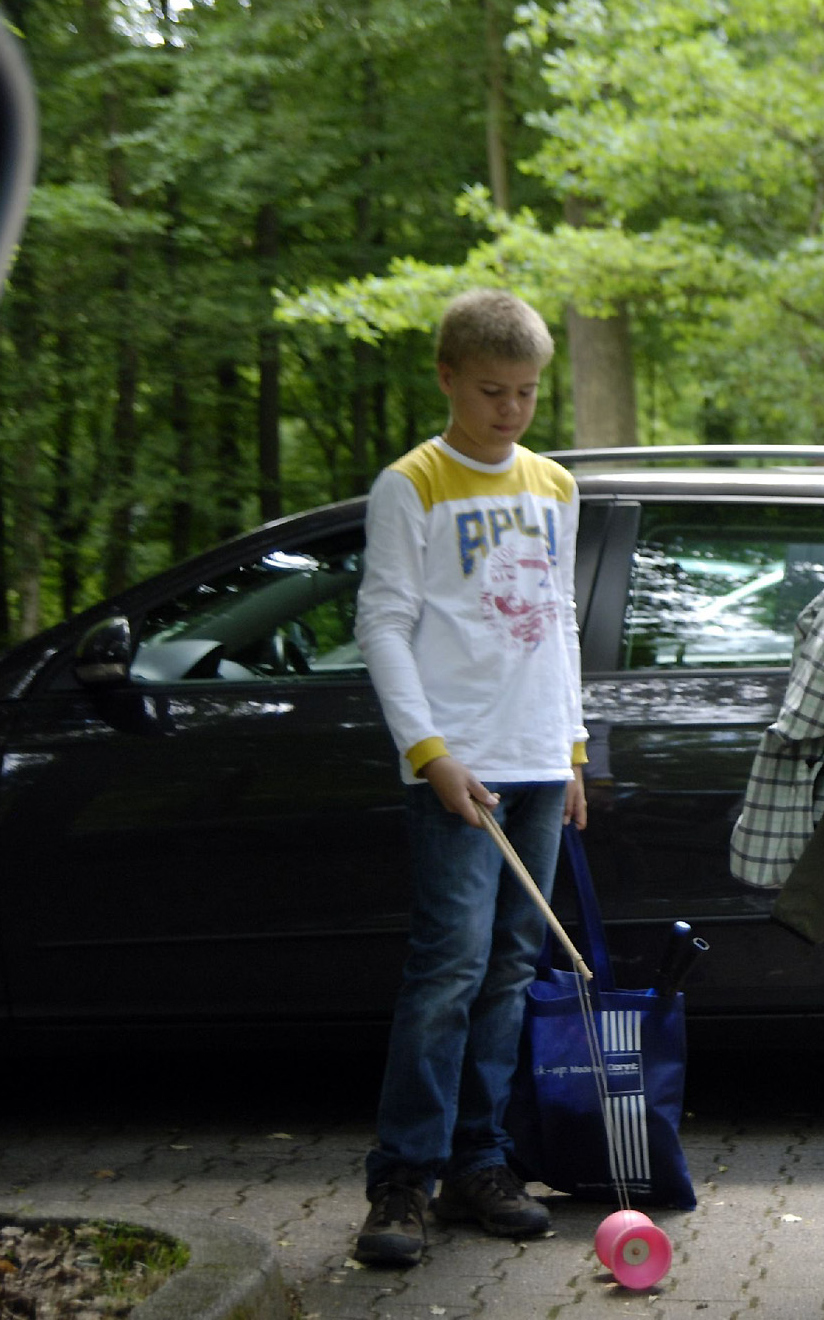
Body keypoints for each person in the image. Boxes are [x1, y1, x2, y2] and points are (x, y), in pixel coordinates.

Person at [350, 288, 589, 1264]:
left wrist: (573, 749)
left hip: (538, 761)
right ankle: (401, 1179)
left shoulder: (555, 485)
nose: (511, 410)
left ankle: (478, 1165)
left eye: (527, 392)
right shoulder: (411, 484)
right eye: (493, 391)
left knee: (510, 970)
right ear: (448, 377)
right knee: (448, 968)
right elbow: (382, 623)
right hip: (458, 768)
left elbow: (561, 620)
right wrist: (430, 752)